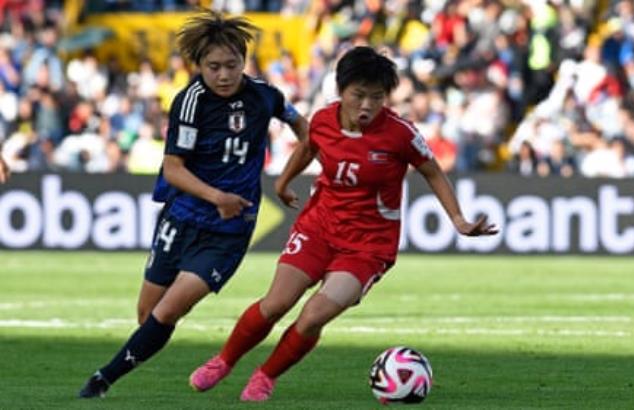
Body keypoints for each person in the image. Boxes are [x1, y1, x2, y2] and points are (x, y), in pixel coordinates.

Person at [188, 46, 498, 402]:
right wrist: (284, 181)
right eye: (359, 95)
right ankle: (224, 361)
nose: (367, 105)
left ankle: (265, 376)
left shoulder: (399, 133)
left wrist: (457, 219)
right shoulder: (322, 120)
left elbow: (432, 170)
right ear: (342, 90)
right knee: (276, 303)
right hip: (319, 227)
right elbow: (309, 147)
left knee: (314, 314)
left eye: (377, 97)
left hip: (368, 246)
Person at [78, 10, 308, 398]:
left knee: (168, 311)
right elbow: (173, 169)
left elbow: (306, 131)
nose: (223, 75)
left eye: (231, 65)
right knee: (147, 317)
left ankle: (102, 380)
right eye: (213, 66)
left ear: (243, 61)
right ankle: (129, 364)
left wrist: (284, 181)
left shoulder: (265, 95)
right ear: (199, 64)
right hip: (182, 217)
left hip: (231, 229)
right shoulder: (191, 101)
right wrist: (217, 196)